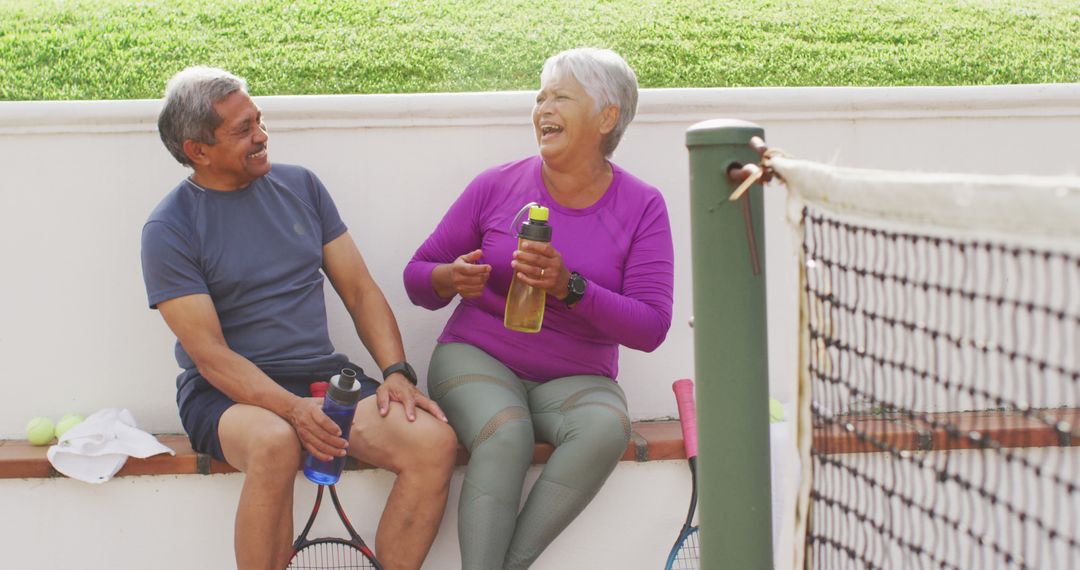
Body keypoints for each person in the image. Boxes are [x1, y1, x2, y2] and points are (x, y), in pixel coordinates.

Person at [141, 66, 457, 570]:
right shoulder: (169, 227)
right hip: (224, 394)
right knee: (274, 444)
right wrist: (291, 410)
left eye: (259, 121)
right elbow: (211, 356)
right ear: (197, 150)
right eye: (242, 130)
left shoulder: (302, 187)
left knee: (433, 444)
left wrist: (396, 371)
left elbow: (359, 290)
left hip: (321, 380)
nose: (261, 136)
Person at [404, 48, 674, 569]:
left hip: (577, 376)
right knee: (506, 433)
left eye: (561, 97)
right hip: (478, 357)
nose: (543, 108)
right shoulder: (496, 184)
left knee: (605, 429)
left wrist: (569, 286)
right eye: (540, 97)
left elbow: (650, 326)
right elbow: (418, 277)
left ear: (606, 117)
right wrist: (449, 277)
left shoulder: (642, 206)